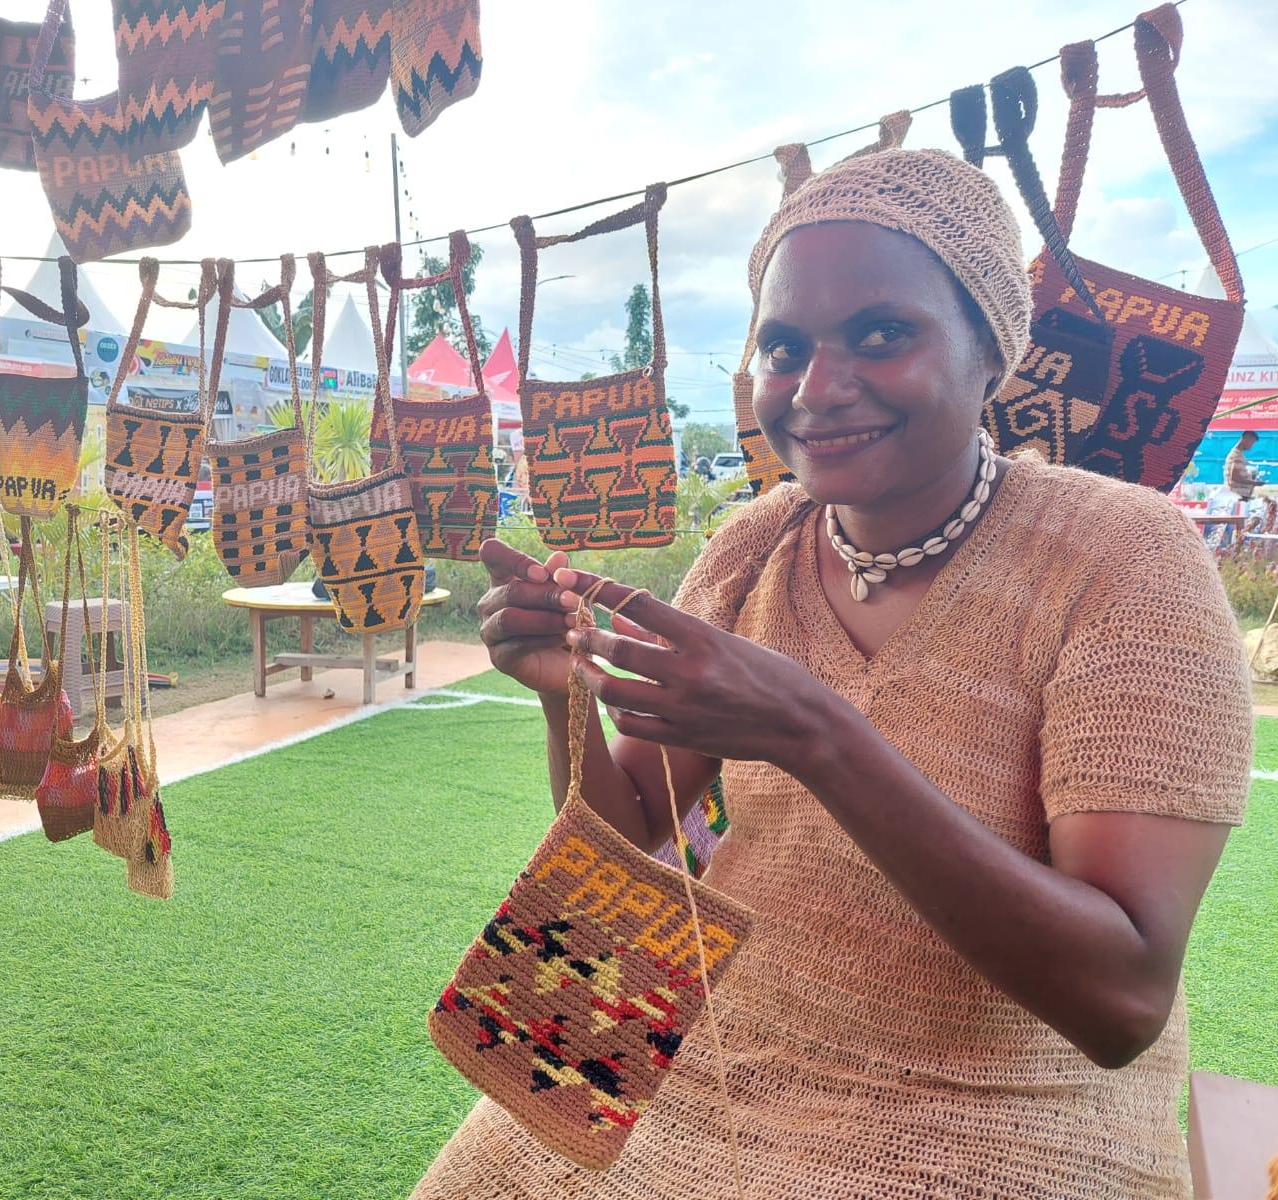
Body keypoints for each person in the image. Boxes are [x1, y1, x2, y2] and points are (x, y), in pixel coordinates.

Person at [421, 149, 1249, 1199]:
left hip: (1002, 1101)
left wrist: (819, 735)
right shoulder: (750, 547)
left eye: (880, 334)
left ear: (989, 352)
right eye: (783, 345)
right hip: (716, 1040)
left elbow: (1120, 1001)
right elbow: (627, 843)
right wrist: (565, 696)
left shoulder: (1121, 560)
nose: (816, 389)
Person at [1224, 430, 1262, 501]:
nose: (1251, 446)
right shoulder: (1236, 455)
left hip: (1241, 495)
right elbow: (1234, 478)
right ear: (1245, 439)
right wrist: (1254, 483)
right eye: (1252, 442)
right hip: (1238, 496)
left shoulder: (1238, 454)